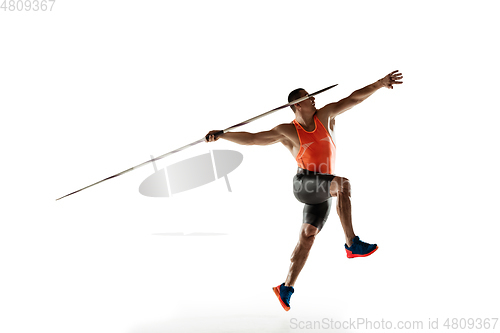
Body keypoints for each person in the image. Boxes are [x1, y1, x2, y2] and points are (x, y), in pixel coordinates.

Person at [205, 70, 403, 311]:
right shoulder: (287, 131)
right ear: (297, 105)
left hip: (323, 188)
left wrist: (380, 84)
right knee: (343, 185)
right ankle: (351, 243)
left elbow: (353, 98)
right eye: (308, 97)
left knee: (308, 236)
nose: (313, 99)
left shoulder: (326, 116)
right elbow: (253, 139)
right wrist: (223, 135)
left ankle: (285, 287)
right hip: (305, 184)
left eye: (312, 96)